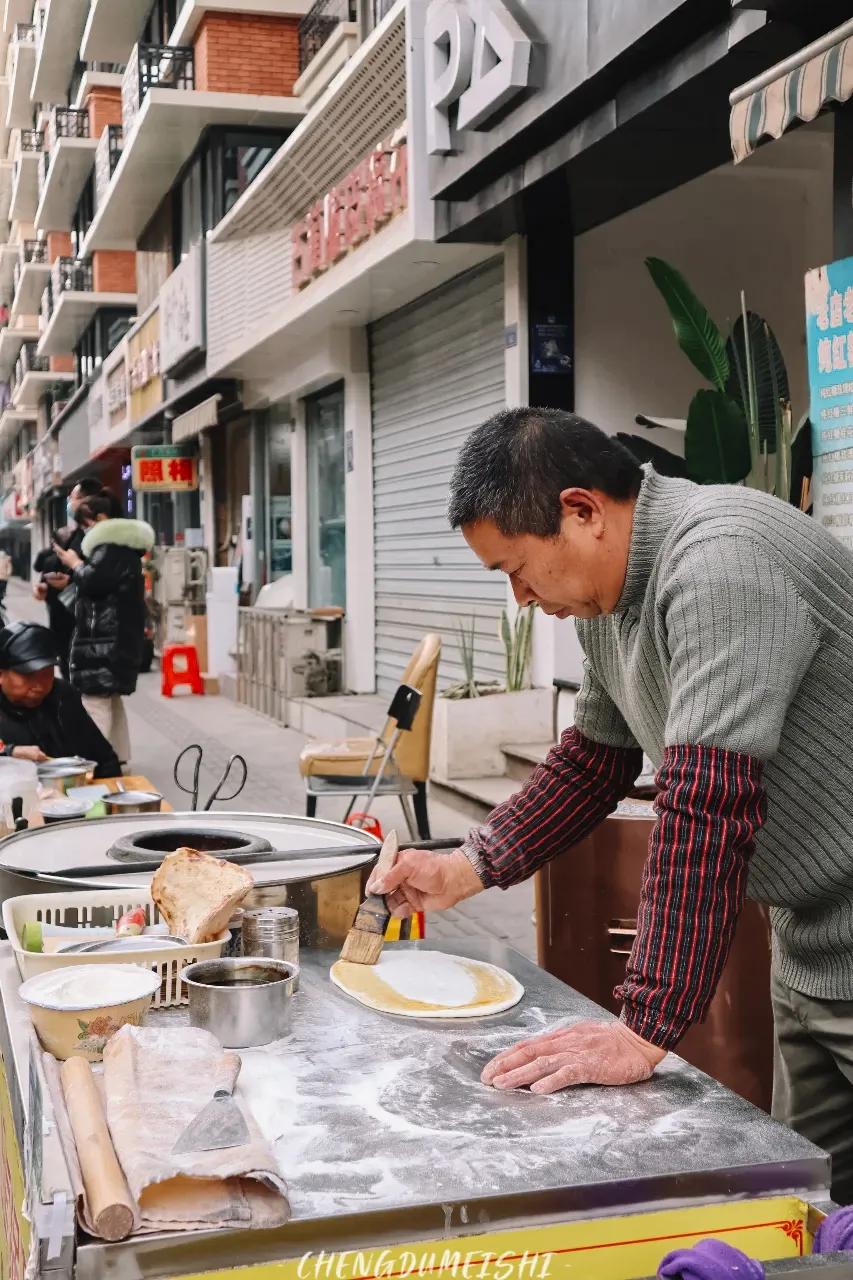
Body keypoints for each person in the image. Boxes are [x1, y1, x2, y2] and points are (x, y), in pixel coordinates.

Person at [370, 407, 853, 1202]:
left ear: (582, 511)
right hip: (811, 944)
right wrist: (466, 866)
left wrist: (643, 1027)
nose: (521, 598)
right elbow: (594, 761)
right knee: (811, 1207)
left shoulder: (720, 563)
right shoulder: (612, 600)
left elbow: (704, 803)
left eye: (516, 569)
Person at [52, 495, 155, 766]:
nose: (84, 531)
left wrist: (75, 564)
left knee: (94, 703)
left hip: (104, 643)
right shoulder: (125, 549)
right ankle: (118, 757)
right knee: (110, 700)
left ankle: (96, 762)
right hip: (116, 641)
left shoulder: (109, 547)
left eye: (85, 524)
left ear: (98, 520)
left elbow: (93, 583)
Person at [0, 621, 120, 776]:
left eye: (46, 674)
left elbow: (105, 759)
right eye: (28, 675)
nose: (39, 686)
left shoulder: (62, 696)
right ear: (1, 674)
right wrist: (10, 752)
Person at [33, 476, 103, 679]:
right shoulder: (77, 535)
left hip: (82, 623)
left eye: (73, 498)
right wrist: (46, 587)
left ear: (87, 501)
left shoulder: (98, 539)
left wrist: (71, 580)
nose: (70, 504)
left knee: (85, 686)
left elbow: (97, 577)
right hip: (65, 618)